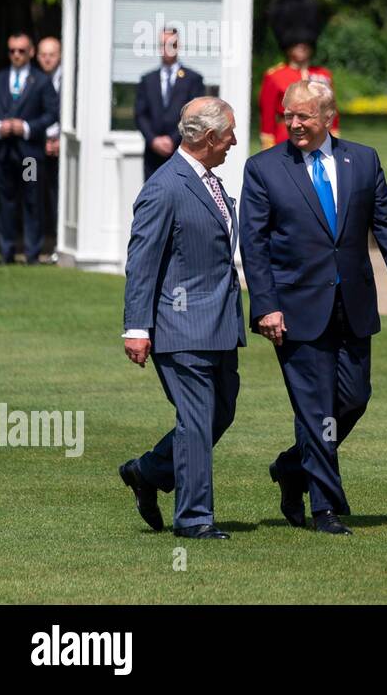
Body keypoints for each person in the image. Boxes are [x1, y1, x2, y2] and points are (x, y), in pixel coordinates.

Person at [240, 80, 387, 536]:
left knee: (354, 398)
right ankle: (325, 508)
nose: (295, 124)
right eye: (289, 116)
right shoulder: (263, 169)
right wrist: (266, 306)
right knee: (316, 409)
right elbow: (254, 245)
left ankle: (291, 466)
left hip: (354, 303)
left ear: (328, 116)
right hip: (294, 308)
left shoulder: (363, 160)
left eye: (304, 116)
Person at [118, 97, 244, 539]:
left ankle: (148, 471)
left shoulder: (210, 180)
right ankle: (193, 520)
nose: (234, 140)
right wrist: (137, 328)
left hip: (221, 324)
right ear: (209, 137)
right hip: (180, 327)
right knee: (195, 420)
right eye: (229, 133)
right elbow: (141, 262)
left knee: (220, 413)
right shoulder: (164, 187)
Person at [0, 33, 59, 264]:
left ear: (31, 52)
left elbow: (52, 113)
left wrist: (25, 127)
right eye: (12, 51)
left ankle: (32, 252)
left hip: (29, 156)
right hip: (3, 153)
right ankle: (6, 252)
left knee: (31, 199)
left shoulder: (41, 81)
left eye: (21, 50)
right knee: (6, 200)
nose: (16, 55)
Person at [258, 0, 338, 149]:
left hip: (319, 137)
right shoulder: (275, 76)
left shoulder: (324, 75)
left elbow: (332, 111)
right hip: (285, 137)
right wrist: (268, 145)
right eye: (295, 44)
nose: (301, 47)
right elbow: (267, 117)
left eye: (305, 44)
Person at [136, 26, 206, 181]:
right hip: (152, 157)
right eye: (163, 44)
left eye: (172, 44)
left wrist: (173, 140)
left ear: (178, 46)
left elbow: (195, 116)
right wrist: (153, 140)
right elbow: (140, 114)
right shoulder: (147, 80)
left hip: (182, 153)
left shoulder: (193, 79)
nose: (167, 49)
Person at [36, 37, 61, 244]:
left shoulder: (70, 80)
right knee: (31, 187)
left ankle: (57, 241)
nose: (47, 59)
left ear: (59, 56)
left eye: (51, 55)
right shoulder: (31, 81)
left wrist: (60, 140)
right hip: (34, 151)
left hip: (61, 148)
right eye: (43, 55)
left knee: (57, 195)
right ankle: (35, 244)